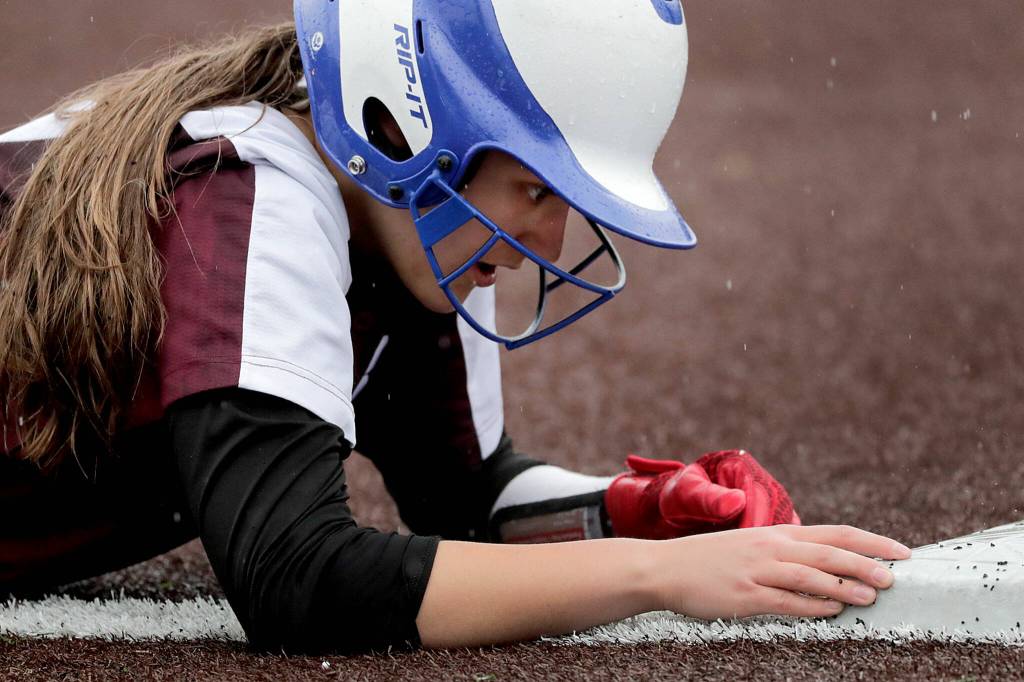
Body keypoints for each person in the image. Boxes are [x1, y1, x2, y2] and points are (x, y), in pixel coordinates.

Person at [0, 1, 911, 655]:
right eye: (536, 189)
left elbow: (470, 502)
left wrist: (634, 516)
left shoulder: (403, 214)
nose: (545, 244)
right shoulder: (245, 196)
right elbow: (296, 579)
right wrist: (655, 580)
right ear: (406, 125)